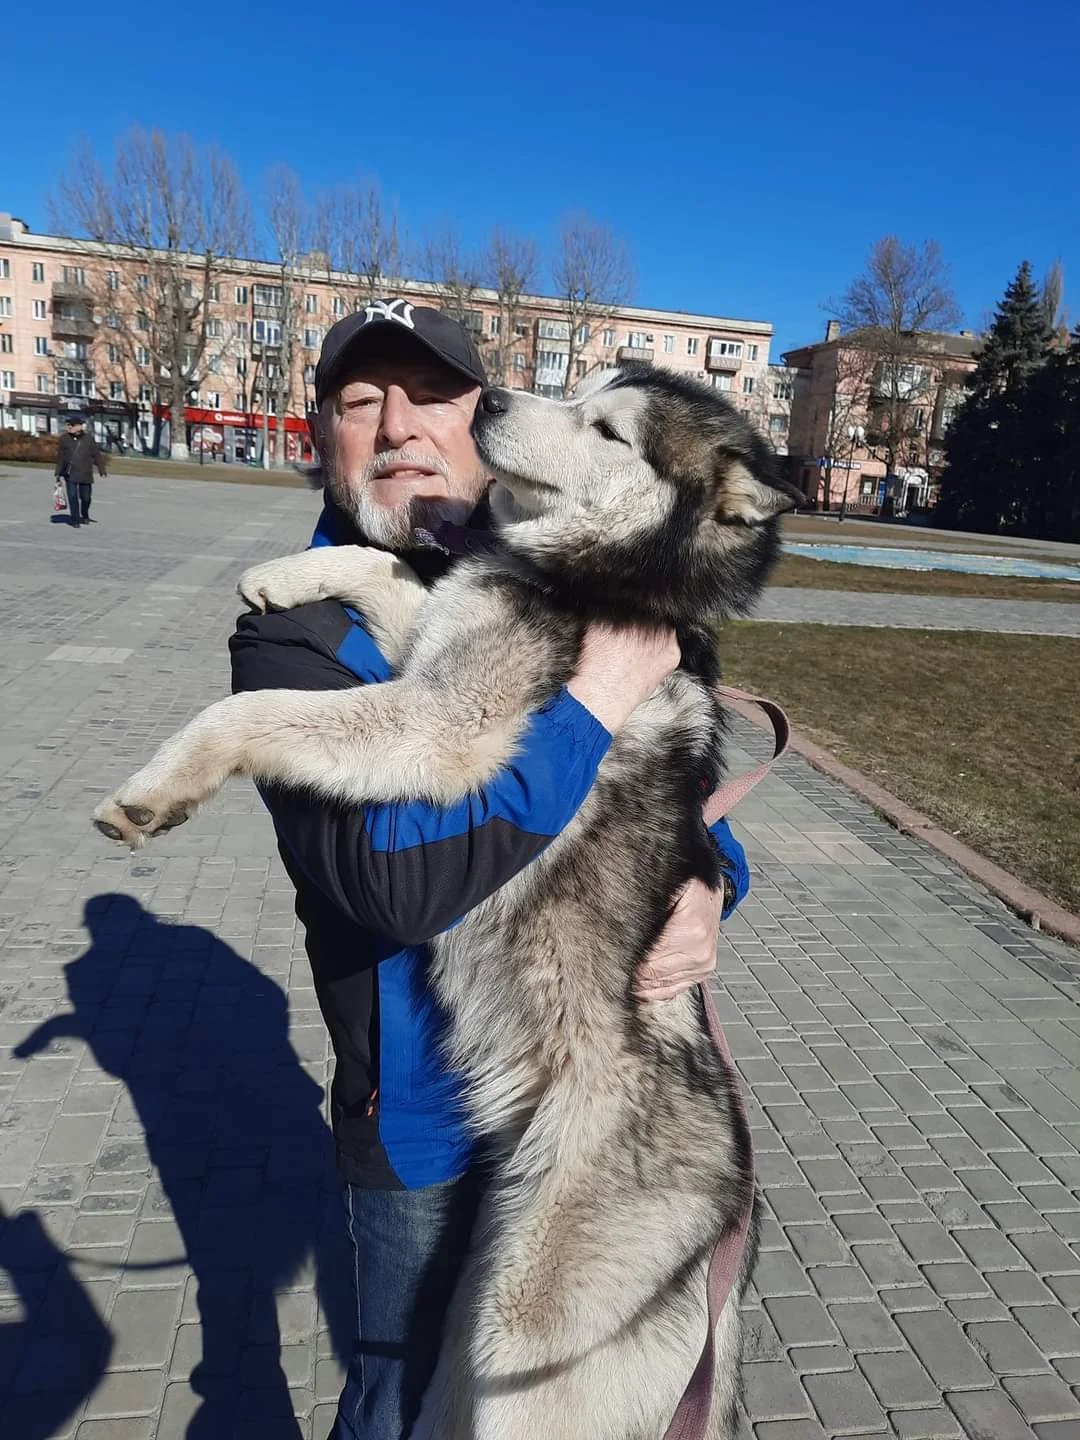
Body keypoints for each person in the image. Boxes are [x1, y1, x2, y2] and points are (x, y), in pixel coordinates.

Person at [229, 303, 751, 1440]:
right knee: (406, 1407)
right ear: (321, 434)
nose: (400, 426)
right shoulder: (299, 633)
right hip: (419, 1120)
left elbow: (674, 800)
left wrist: (711, 885)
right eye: (362, 403)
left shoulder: (571, 574)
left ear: (483, 419)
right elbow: (392, 889)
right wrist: (594, 699)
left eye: (433, 397)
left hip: (583, 1096)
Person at [54, 413, 106, 527]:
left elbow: (96, 454)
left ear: (79, 426)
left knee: (86, 498)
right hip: (70, 473)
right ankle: (75, 519)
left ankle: (85, 514)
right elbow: (61, 456)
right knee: (72, 496)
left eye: (72, 425)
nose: (69, 427)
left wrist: (101, 469)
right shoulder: (64, 439)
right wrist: (58, 473)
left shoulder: (88, 439)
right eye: (68, 425)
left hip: (85, 472)